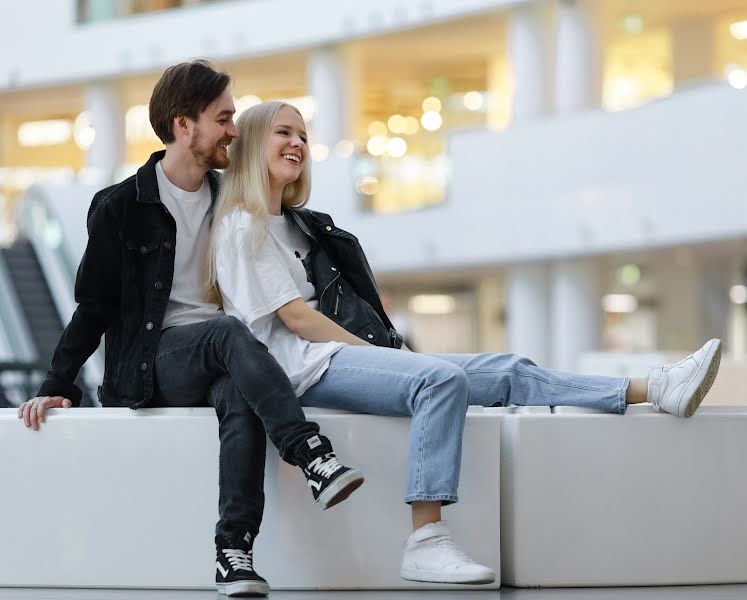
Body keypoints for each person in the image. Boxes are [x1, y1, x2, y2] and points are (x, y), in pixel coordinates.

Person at [206, 100, 722, 585]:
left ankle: (654, 387)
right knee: (439, 379)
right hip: (301, 370)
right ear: (253, 144)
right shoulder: (240, 225)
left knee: (509, 370)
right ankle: (426, 538)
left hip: (337, 356)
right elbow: (296, 319)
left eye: (302, 133)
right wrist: (382, 355)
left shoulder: (298, 226)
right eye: (283, 132)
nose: (297, 142)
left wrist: (381, 350)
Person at [16, 62, 363, 598]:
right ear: (184, 125)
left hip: (227, 357)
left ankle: (233, 552)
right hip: (152, 365)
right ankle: (309, 453)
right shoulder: (121, 206)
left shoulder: (232, 197)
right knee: (224, 333)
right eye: (223, 118)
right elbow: (94, 307)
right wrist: (57, 386)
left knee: (238, 394)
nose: (234, 130)